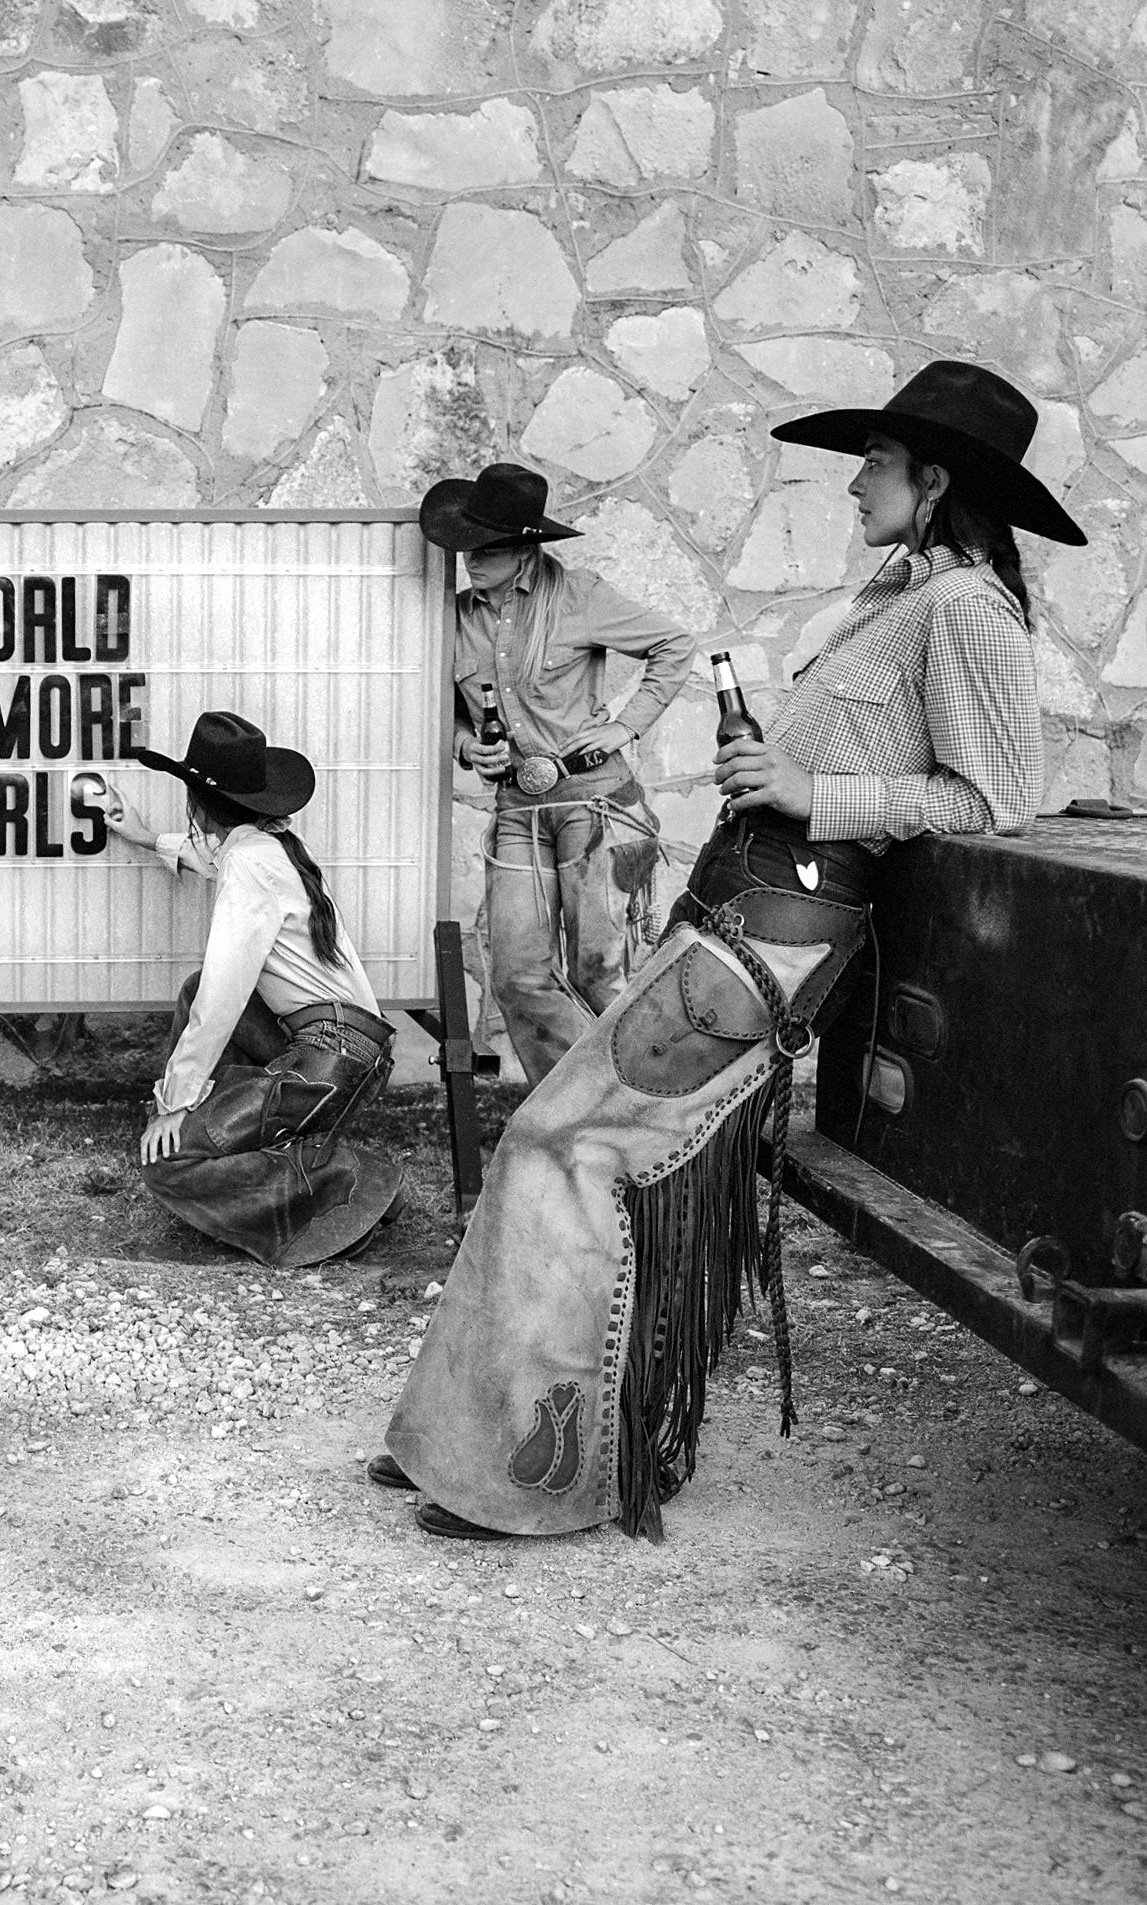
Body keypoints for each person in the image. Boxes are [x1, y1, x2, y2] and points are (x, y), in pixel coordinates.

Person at [376, 361, 1073, 1541]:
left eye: (878, 464)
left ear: (934, 480)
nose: (855, 483)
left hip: (785, 930)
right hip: (736, 911)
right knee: (558, 1137)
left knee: (563, 1142)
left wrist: (811, 788)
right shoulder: (900, 599)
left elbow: (998, 795)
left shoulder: (964, 609)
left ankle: (539, 1474)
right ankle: (471, 1433)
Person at [98, 711, 403, 1268]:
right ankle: (264, 1137)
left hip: (332, 1061)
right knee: (194, 990)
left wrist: (174, 1103)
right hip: (345, 1050)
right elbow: (211, 860)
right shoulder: (267, 846)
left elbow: (221, 1002)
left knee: (169, 1162)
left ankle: (350, 1179)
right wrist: (142, 834)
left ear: (198, 802)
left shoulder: (249, 865)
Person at [422, 462, 691, 1087]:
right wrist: (467, 748)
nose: (470, 558)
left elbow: (674, 646)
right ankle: (575, 1109)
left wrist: (626, 727)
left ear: (524, 549)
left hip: (597, 807)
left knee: (601, 970)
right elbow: (439, 710)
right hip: (518, 808)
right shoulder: (453, 617)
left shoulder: (582, 597)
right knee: (518, 974)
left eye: (487, 547)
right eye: (466, 544)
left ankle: (644, 1106)